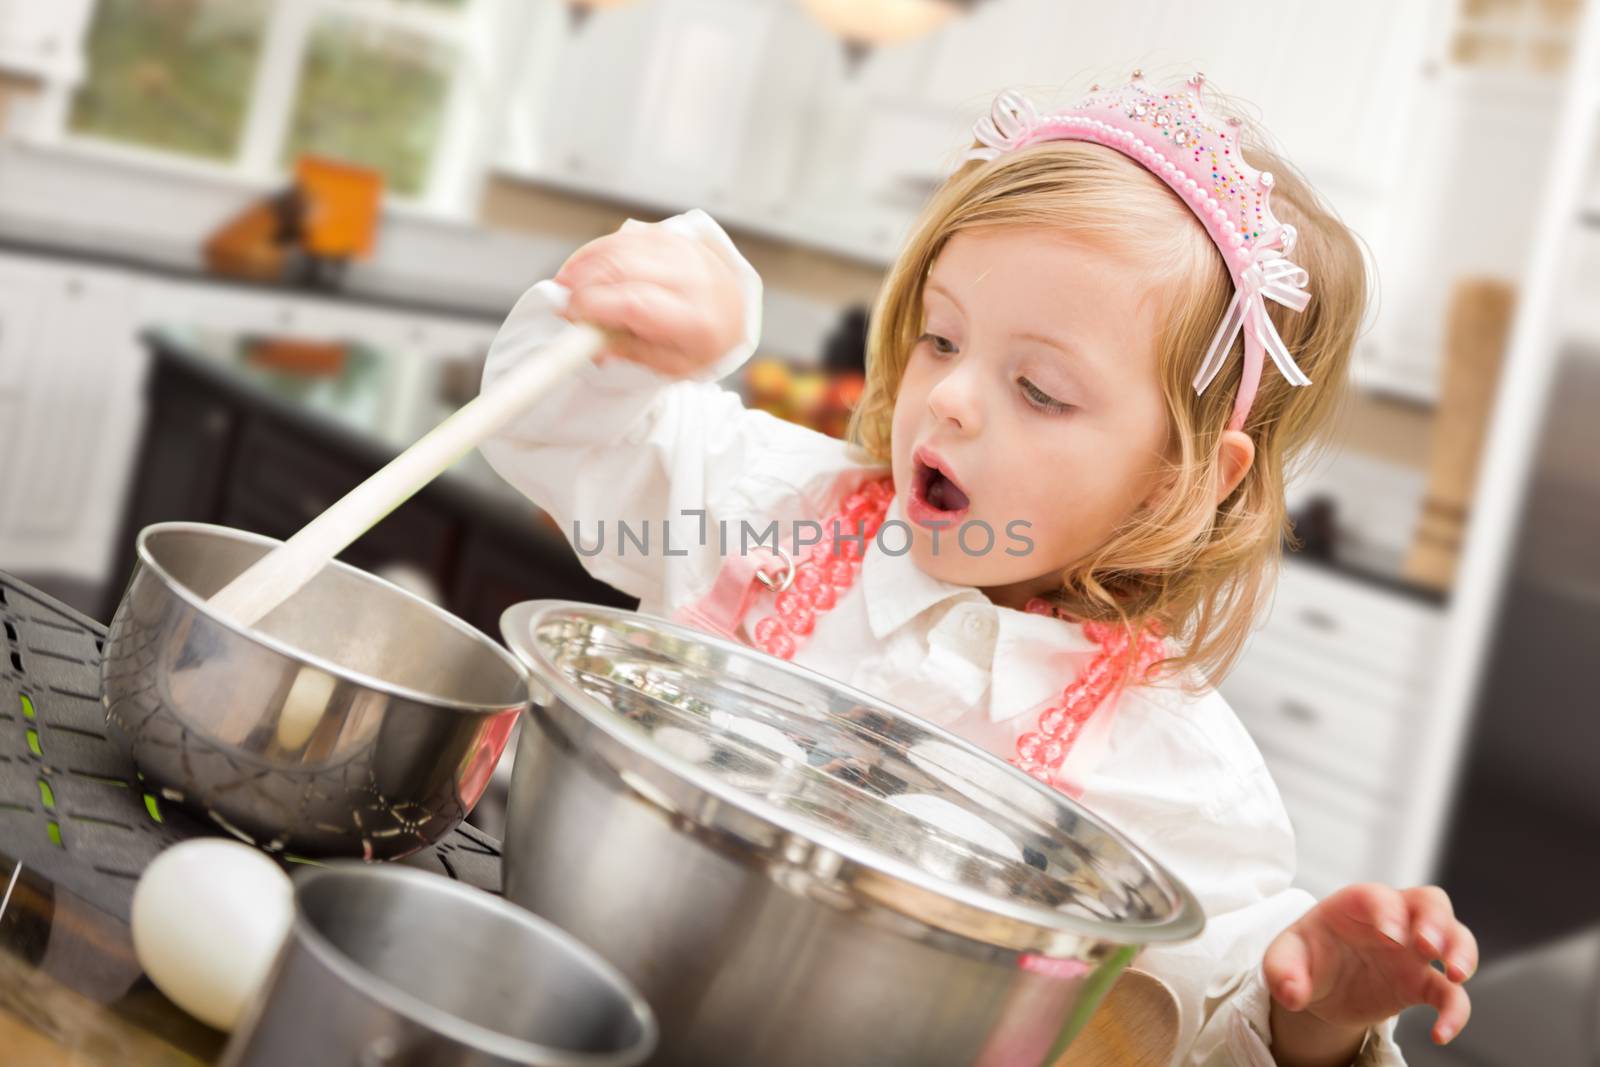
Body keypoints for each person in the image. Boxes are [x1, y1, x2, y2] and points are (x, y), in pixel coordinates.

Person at [478, 73, 1476, 1066]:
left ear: (1175, 478)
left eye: (1038, 388)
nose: (948, 396)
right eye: (939, 336)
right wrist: (630, 330)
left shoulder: (1175, 767)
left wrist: (1317, 1015)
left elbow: (1202, 1026)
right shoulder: (771, 505)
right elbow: (551, 431)